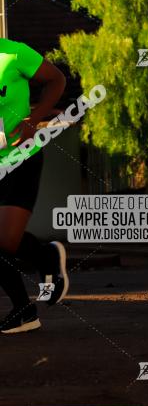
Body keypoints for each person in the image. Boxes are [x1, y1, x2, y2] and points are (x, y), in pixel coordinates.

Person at [0, 37, 68, 333]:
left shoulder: (14, 53)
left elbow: (56, 80)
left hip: (19, 160)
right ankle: (45, 256)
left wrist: (34, 120)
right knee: (5, 244)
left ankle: (24, 311)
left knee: (2, 245)